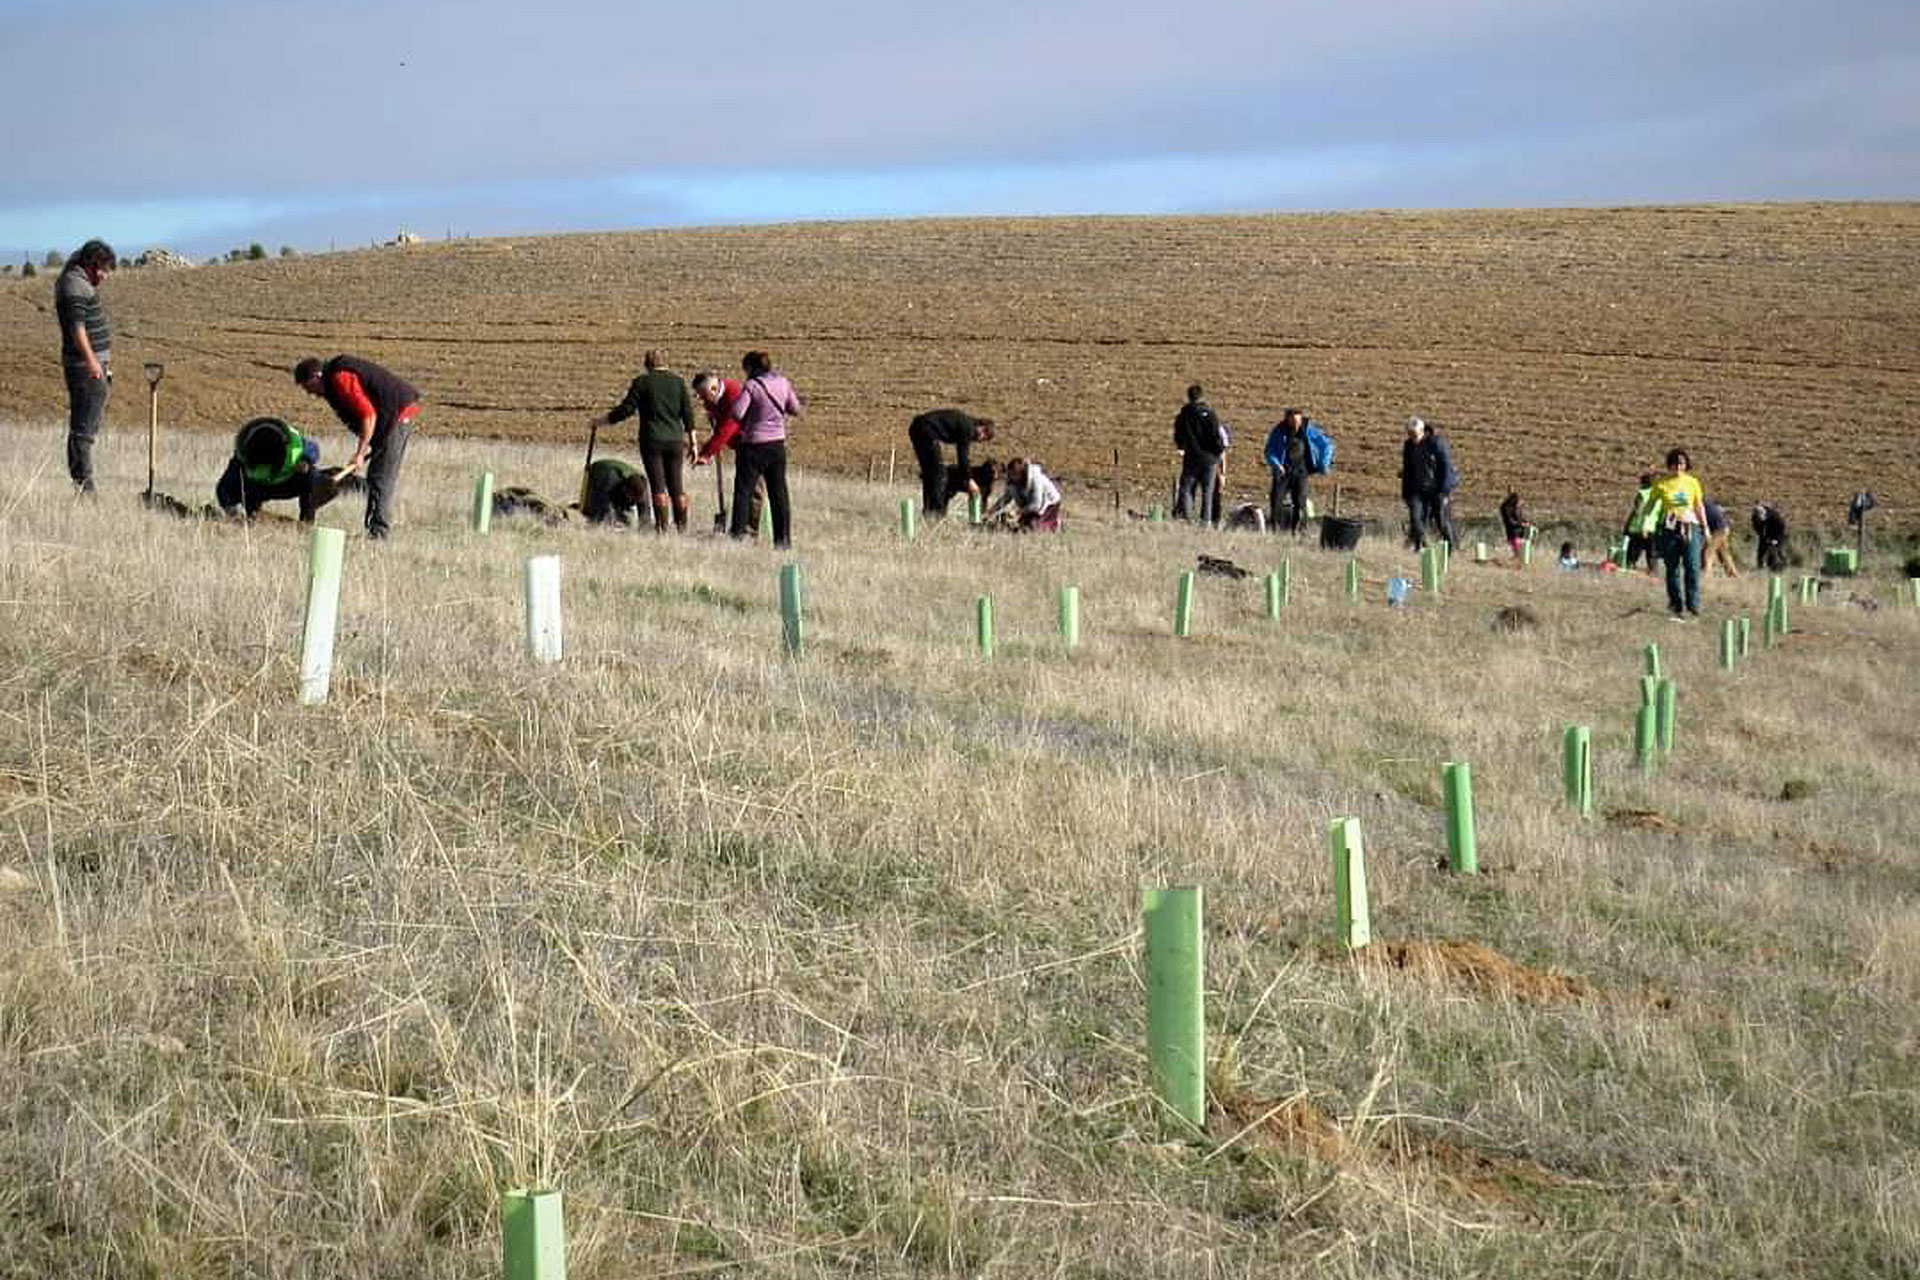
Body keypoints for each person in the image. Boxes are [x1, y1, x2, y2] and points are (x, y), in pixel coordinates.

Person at [294, 354, 421, 539]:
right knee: (377, 477)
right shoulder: (331, 385)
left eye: (308, 387)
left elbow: (368, 415)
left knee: (380, 479)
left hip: (397, 415)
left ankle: (378, 535)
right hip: (389, 418)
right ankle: (375, 531)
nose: (310, 394)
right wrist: (369, 443)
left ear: (316, 376)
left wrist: (360, 453)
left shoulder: (341, 378)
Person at [587, 349, 697, 532]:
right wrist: (694, 443)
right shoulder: (678, 382)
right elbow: (688, 414)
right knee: (677, 487)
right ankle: (682, 529)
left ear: (646, 364)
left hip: (652, 440)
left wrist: (601, 421)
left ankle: (662, 530)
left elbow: (626, 410)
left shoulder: (642, 382)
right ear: (666, 363)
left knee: (658, 487)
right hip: (676, 441)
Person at [55, 239, 115, 493]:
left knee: (87, 426)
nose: (104, 275)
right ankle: (84, 487)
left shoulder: (77, 279)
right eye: (102, 269)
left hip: (91, 365)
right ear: (90, 265)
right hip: (85, 367)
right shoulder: (74, 285)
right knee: (83, 430)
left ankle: (83, 484)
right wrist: (92, 362)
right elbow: (77, 329)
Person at [726, 351, 801, 547]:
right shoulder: (783, 383)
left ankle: (738, 535)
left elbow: (737, 413)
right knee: (779, 493)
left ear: (751, 368)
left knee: (744, 491)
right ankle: (783, 540)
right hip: (777, 445)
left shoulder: (752, 386)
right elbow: (795, 409)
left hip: (753, 445)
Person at [1641, 448, 1708, 619]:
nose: (1678, 466)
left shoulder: (1693, 482)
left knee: (1692, 566)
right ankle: (1676, 604)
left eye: (1681, 463)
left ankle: (1693, 605)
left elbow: (1699, 506)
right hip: (1669, 529)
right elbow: (1650, 505)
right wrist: (1645, 523)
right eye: (1674, 463)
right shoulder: (1661, 483)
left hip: (1690, 526)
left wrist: (1705, 526)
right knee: (1672, 567)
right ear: (1669, 465)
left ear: (1686, 465)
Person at [214, 416, 324, 520]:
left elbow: (313, 448)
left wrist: (306, 460)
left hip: (287, 483)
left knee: (312, 476)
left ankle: (306, 522)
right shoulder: (243, 455)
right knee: (242, 485)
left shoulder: (292, 443)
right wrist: (230, 509)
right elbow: (223, 488)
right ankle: (253, 516)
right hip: (257, 488)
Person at [693, 369, 761, 530]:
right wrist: (707, 452)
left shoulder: (733, 392)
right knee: (743, 488)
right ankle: (740, 528)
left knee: (753, 489)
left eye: (703, 395)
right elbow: (717, 426)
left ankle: (750, 530)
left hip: (755, 444)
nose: (701, 399)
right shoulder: (711, 400)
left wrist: (707, 453)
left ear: (713, 389)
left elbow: (728, 428)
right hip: (741, 445)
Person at [907, 408, 993, 520]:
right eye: (983, 438)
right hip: (925, 431)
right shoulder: (968, 428)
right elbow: (962, 458)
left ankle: (928, 511)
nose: (978, 440)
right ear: (982, 428)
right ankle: (936, 514)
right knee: (940, 474)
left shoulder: (964, 422)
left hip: (917, 428)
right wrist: (970, 481)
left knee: (930, 474)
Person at [1400, 416, 1459, 550]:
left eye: (1414, 434)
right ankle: (1423, 547)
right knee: (1415, 519)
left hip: (1436, 489)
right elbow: (1407, 470)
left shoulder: (1436, 443)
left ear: (1422, 431)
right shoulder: (1408, 446)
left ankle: (1451, 548)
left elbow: (1446, 468)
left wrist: (1444, 492)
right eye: (1409, 434)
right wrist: (1405, 493)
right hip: (1417, 489)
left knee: (1441, 521)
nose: (1412, 437)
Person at [1171, 384, 1226, 525]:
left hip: (1191, 458)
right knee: (1207, 492)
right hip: (1210, 459)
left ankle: (1188, 519)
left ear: (1189, 397)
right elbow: (1217, 436)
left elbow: (1178, 434)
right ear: (1202, 396)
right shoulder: (1210, 413)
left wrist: (1181, 446)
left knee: (1186, 489)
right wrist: (1217, 453)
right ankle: (1206, 521)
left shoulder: (1184, 414)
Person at [1263, 408, 1311, 534]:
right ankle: (1274, 530)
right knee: (1276, 501)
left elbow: (1324, 444)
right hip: (1282, 472)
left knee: (1300, 502)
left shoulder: (1308, 430)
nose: (1296, 423)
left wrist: (1323, 462)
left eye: (1298, 420)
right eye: (1293, 420)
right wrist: (1277, 464)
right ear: (1287, 419)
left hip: (1301, 472)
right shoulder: (1278, 431)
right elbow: (1269, 450)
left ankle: (1299, 531)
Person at [988, 456, 1062, 531]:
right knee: (1020, 526)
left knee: (1033, 528)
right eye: (1010, 474)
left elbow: (1036, 504)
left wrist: (1017, 512)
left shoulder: (1036, 478)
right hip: (1029, 506)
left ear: (1021, 472)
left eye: (1013, 474)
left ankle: (1054, 524)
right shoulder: (1013, 481)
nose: (1010, 477)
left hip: (1049, 504)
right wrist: (992, 511)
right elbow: (1006, 498)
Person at [580, 457, 648, 525]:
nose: (632, 501)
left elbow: (645, 516)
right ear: (625, 488)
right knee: (595, 513)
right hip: (599, 472)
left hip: (617, 478)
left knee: (623, 514)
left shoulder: (642, 490)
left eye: (634, 500)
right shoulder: (610, 481)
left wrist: (644, 525)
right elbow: (606, 508)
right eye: (630, 497)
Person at [1622, 473, 1659, 574]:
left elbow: (1638, 511)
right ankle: (1653, 571)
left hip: (1638, 527)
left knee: (1633, 551)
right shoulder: (1659, 494)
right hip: (1653, 527)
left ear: (1643, 483)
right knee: (1652, 552)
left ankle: (1630, 567)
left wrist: (1628, 524)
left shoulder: (1642, 493)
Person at [1702, 498, 1740, 577]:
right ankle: (1733, 573)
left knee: (1708, 552)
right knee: (1724, 552)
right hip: (1724, 528)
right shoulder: (1709, 504)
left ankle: (1707, 575)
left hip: (1719, 530)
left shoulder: (1703, 507)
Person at [1752, 503, 1790, 572]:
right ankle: (1760, 567)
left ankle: (1781, 567)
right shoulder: (1755, 517)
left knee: (1777, 550)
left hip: (1779, 534)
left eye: (1762, 517)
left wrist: (1776, 539)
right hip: (1766, 534)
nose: (1760, 519)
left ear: (1765, 513)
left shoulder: (1775, 517)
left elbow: (1782, 529)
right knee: (1761, 550)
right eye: (1759, 518)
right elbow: (1756, 527)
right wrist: (1763, 536)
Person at [1499, 491, 1533, 562]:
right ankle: (1508, 563)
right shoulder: (1507, 510)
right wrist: (1522, 524)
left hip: (1519, 533)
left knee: (1520, 554)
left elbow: (1519, 518)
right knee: (1518, 554)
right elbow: (1511, 522)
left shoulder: (1514, 508)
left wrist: (1525, 521)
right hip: (1513, 534)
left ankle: (1509, 563)